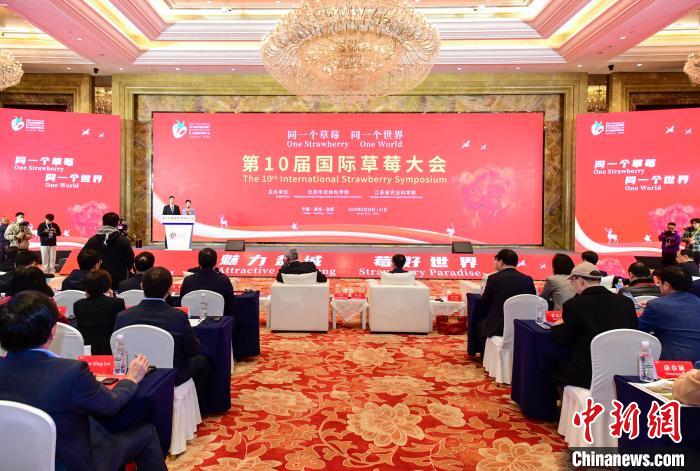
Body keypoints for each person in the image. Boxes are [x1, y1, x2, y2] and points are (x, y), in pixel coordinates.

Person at [0, 291, 166, 471]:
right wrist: (131, 379)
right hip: (74, 463)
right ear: (53, 330)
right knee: (146, 433)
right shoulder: (70, 372)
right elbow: (110, 406)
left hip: (12, 459)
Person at [115, 267, 210, 390]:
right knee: (204, 360)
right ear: (170, 289)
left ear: (142, 286)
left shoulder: (122, 316)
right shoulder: (178, 316)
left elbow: (117, 350)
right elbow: (192, 350)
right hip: (173, 375)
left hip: (133, 373)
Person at [551, 262, 638, 389]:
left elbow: (564, 339)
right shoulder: (626, 302)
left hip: (588, 373)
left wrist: (556, 327)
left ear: (580, 280)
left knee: (550, 364)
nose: (572, 285)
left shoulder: (574, 304)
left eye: (572, 281)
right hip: (624, 370)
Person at [638, 266, 700, 362]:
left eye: (660, 283)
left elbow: (638, 330)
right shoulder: (698, 301)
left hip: (674, 364)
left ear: (666, 285)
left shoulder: (656, 305)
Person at [478, 249, 536, 344]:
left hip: (498, 327)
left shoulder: (493, 278)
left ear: (501, 262)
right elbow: (533, 300)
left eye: (496, 260)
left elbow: (485, 301)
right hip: (522, 325)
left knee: (479, 323)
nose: (494, 262)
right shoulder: (527, 279)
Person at [74, 270, 125, 355]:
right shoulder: (118, 303)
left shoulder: (78, 305)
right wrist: (112, 298)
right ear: (107, 286)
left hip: (87, 349)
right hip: (111, 349)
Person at [81, 212, 134, 289]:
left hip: (97, 280)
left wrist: (91, 271)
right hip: (119, 281)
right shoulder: (123, 241)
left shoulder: (92, 240)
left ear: (103, 223)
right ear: (117, 224)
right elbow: (130, 260)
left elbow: (82, 257)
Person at [180, 248, 235, 316]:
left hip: (191, 320)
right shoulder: (224, 280)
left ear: (199, 262)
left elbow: (181, 302)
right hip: (218, 321)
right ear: (215, 262)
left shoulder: (188, 280)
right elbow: (231, 306)